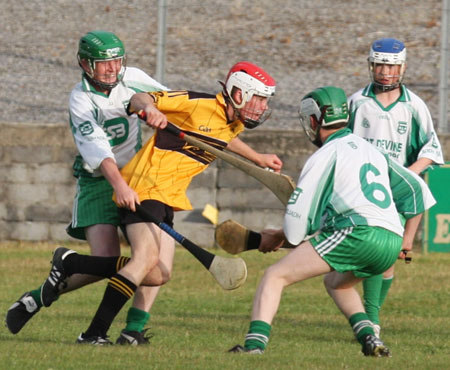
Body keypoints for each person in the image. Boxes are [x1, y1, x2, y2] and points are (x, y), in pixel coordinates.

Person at [33, 61, 283, 345]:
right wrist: (150, 109)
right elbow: (139, 99)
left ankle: (72, 263)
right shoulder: (195, 103)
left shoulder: (232, 123)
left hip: (168, 198)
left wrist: (258, 158)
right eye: (260, 99)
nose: (263, 107)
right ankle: (93, 334)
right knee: (144, 261)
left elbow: (222, 141)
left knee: (159, 274)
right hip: (145, 187)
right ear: (239, 94)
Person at [229, 86, 436, 357]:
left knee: (274, 276)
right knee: (337, 283)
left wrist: (280, 236)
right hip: (391, 238)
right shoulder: (372, 151)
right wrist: (407, 239)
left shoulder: (324, 156)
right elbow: (418, 190)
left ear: (314, 120)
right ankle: (370, 338)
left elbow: (296, 225)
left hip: (357, 233)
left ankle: (254, 347)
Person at [6, 30, 169, 345]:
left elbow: (172, 100)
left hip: (138, 179)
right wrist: (119, 186)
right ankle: (46, 294)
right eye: (103, 63)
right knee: (105, 259)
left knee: (156, 268)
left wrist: (156, 108)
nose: (112, 69)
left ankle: (61, 285)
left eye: (117, 61)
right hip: (98, 182)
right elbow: (98, 149)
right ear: (85, 63)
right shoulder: (79, 98)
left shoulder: (132, 78)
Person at [347, 37, 444, 338]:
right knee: (371, 255)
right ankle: (368, 316)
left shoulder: (414, 106)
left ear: (402, 67)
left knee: (386, 257)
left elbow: (432, 149)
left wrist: (408, 174)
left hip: (395, 193)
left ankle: (370, 317)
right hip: (361, 190)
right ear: (371, 66)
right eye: (380, 65)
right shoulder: (356, 103)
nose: (386, 72)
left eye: (392, 66)